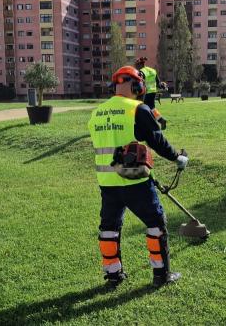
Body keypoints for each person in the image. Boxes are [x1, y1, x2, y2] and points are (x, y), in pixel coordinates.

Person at [88, 65, 189, 287]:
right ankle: (161, 275)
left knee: (109, 229)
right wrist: (177, 158)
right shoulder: (137, 109)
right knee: (155, 223)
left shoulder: (96, 113)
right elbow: (157, 141)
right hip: (135, 181)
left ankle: (113, 275)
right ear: (137, 86)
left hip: (107, 182)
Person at [134, 57, 168, 129]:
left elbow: (139, 83)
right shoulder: (152, 70)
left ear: (139, 64)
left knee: (142, 109)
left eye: (136, 65)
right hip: (153, 92)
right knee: (152, 109)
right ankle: (160, 121)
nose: (135, 67)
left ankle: (150, 125)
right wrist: (163, 86)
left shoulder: (141, 72)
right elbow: (158, 83)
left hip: (145, 93)